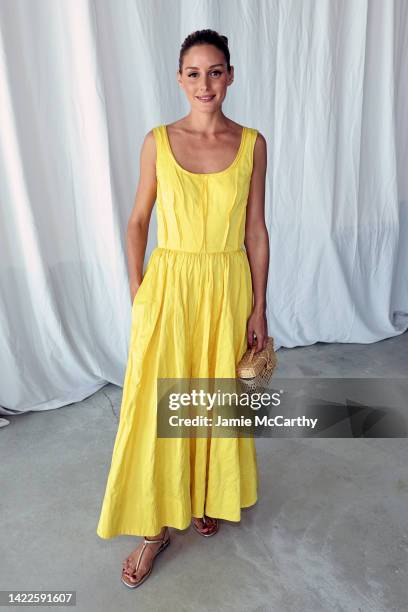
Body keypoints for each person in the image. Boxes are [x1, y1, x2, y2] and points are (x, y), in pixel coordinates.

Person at [96, 28, 269, 588]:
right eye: (193, 73)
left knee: (212, 396)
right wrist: (137, 288)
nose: (205, 83)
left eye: (215, 71)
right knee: (159, 401)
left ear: (231, 75)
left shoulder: (251, 144)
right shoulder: (157, 140)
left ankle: (201, 494)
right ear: (179, 78)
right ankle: (154, 527)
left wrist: (260, 307)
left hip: (227, 282)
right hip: (169, 284)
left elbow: (256, 232)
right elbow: (137, 221)